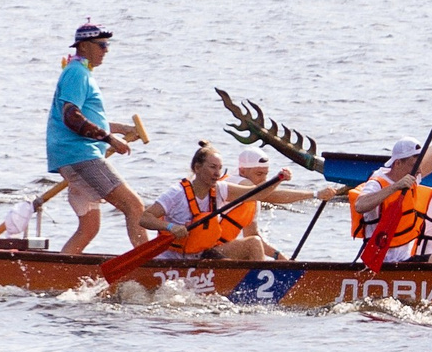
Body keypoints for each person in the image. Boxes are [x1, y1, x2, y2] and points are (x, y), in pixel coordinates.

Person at [46, 22, 150, 255]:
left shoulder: (78, 71)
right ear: (84, 46)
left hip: (69, 155)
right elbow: (71, 117)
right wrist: (110, 139)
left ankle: (61, 273)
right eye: (101, 45)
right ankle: (148, 266)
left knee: (89, 227)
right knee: (135, 207)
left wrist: (120, 129)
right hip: (80, 155)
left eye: (107, 45)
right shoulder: (77, 73)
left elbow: (85, 117)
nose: (106, 50)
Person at [351, 88, 432, 265]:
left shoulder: (412, 174)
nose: (418, 169)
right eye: (413, 163)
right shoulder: (377, 182)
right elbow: (360, 205)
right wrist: (395, 187)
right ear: (398, 163)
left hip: (405, 260)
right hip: (378, 260)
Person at [141, 141, 282, 262]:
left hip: (203, 255)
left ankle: (257, 285)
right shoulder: (176, 193)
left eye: (220, 168)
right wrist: (170, 227)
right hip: (173, 258)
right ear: (197, 168)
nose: (217, 173)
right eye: (212, 167)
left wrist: (279, 179)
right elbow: (145, 218)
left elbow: (256, 193)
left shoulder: (221, 189)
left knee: (253, 243)